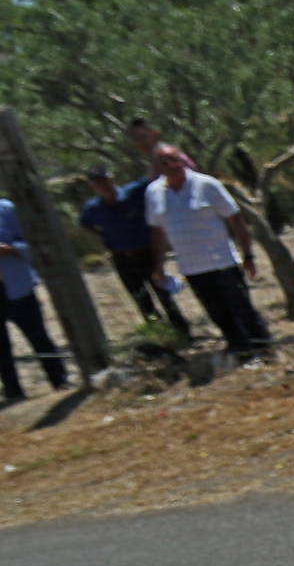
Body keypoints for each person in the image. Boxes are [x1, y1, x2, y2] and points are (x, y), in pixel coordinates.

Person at [144, 151, 271, 360]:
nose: (170, 165)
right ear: (157, 167)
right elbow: (158, 232)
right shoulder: (153, 192)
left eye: (174, 159)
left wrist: (248, 255)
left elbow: (235, 220)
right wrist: (159, 266)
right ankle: (241, 351)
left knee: (241, 308)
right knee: (217, 312)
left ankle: (264, 349)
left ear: (182, 160)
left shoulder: (207, 184)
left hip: (222, 262)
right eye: (163, 162)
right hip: (191, 266)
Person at [80, 166, 192, 340]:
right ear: (92, 186)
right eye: (97, 183)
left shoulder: (134, 193)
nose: (103, 186)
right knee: (141, 299)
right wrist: (106, 238)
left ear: (112, 178)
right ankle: (162, 337)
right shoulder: (92, 209)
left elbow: (154, 175)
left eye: (104, 180)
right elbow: (86, 226)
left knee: (164, 295)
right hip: (122, 258)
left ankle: (183, 333)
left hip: (147, 254)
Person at [0, 197, 71, 402]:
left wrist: (11, 250)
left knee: (39, 337)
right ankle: (14, 393)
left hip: (17, 287)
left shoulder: (6, 209)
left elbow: (32, 242)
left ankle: (60, 382)